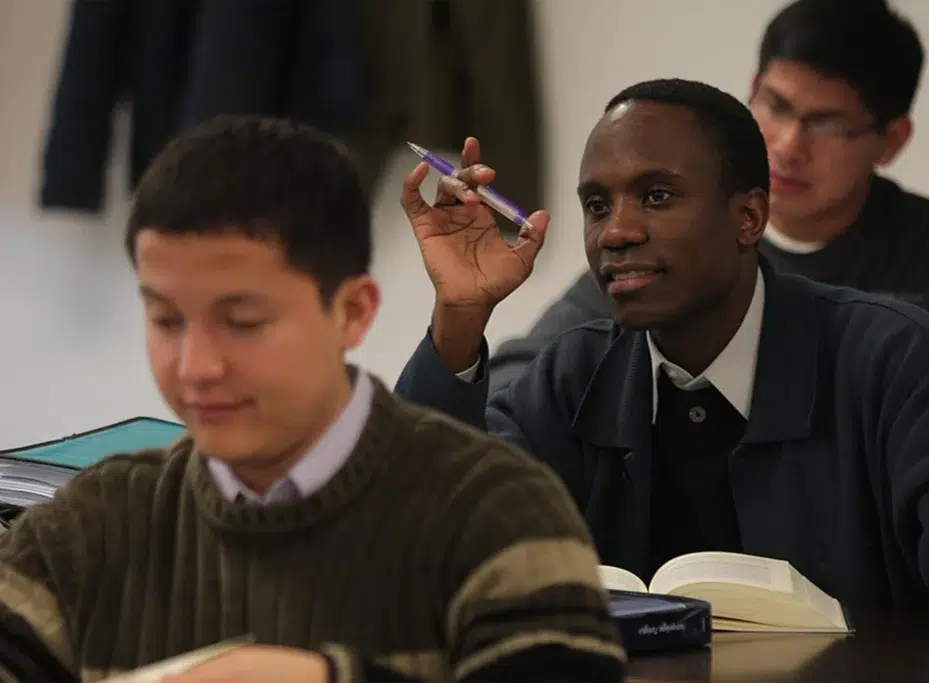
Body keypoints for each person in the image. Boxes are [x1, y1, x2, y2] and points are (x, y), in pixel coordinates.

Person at [394, 78, 929, 680]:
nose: (617, 232)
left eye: (658, 196)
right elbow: (429, 526)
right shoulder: (575, 373)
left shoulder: (889, 353)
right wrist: (460, 313)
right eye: (596, 205)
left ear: (749, 217)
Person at [0, 117, 625, 683]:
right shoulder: (86, 530)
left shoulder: (501, 515)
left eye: (242, 322)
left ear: (352, 311)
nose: (197, 368)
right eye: (165, 320)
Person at [485, 0, 929, 464]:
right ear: (752, 92)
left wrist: (882, 470)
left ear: (892, 140)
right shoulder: (684, 237)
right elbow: (525, 374)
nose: (789, 144)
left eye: (828, 122)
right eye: (777, 106)